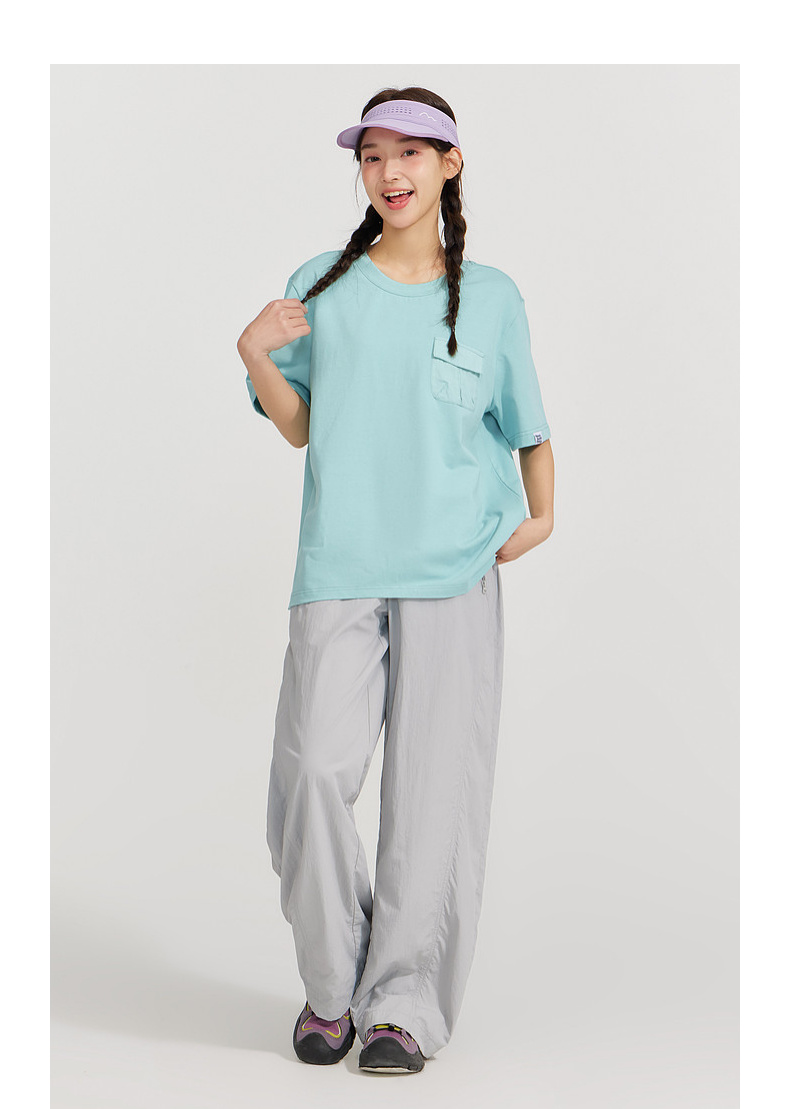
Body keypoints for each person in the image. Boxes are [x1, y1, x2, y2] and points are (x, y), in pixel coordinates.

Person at [236, 87, 555, 1074]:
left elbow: (528, 425)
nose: (390, 172)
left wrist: (543, 513)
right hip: (339, 562)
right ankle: (334, 983)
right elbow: (299, 425)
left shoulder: (492, 296)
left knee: (432, 800)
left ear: (449, 164)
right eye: (372, 155)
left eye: (411, 152)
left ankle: (403, 1004)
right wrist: (254, 352)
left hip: (453, 570)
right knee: (310, 777)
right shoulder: (320, 284)